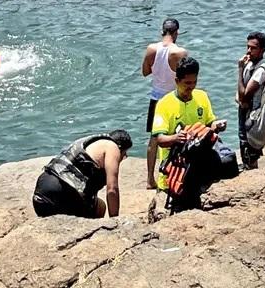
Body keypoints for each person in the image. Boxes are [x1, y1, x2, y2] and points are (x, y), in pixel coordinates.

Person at [150, 56, 228, 204]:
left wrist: (216, 126)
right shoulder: (164, 104)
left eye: (194, 82)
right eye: (186, 83)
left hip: (200, 169)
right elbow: (160, 139)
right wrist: (176, 138)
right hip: (174, 173)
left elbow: (209, 124)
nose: (191, 87)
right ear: (177, 81)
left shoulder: (202, 97)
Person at [32, 130, 132, 218]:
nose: (124, 157)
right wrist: (115, 221)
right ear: (121, 148)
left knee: (98, 204)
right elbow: (112, 189)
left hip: (41, 194)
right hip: (61, 194)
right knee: (100, 209)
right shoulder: (113, 147)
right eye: (124, 154)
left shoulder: (91, 142)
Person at [142, 18, 189, 188]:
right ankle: (177, 176)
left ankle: (149, 179)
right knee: (179, 137)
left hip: (155, 98)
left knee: (154, 139)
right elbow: (185, 79)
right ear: (176, 32)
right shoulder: (180, 52)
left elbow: (145, 72)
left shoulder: (151, 49)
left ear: (162, 31)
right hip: (173, 100)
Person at [236, 32, 265, 169]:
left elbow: (245, 95)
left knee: (249, 150)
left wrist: (239, 70)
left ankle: (252, 173)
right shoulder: (249, 66)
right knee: (244, 145)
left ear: (262, 50)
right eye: (248, 47)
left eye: (253, 48)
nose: (249, 51)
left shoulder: (261, 70)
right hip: (244, 112)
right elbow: (240, 92)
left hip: (253, 117)